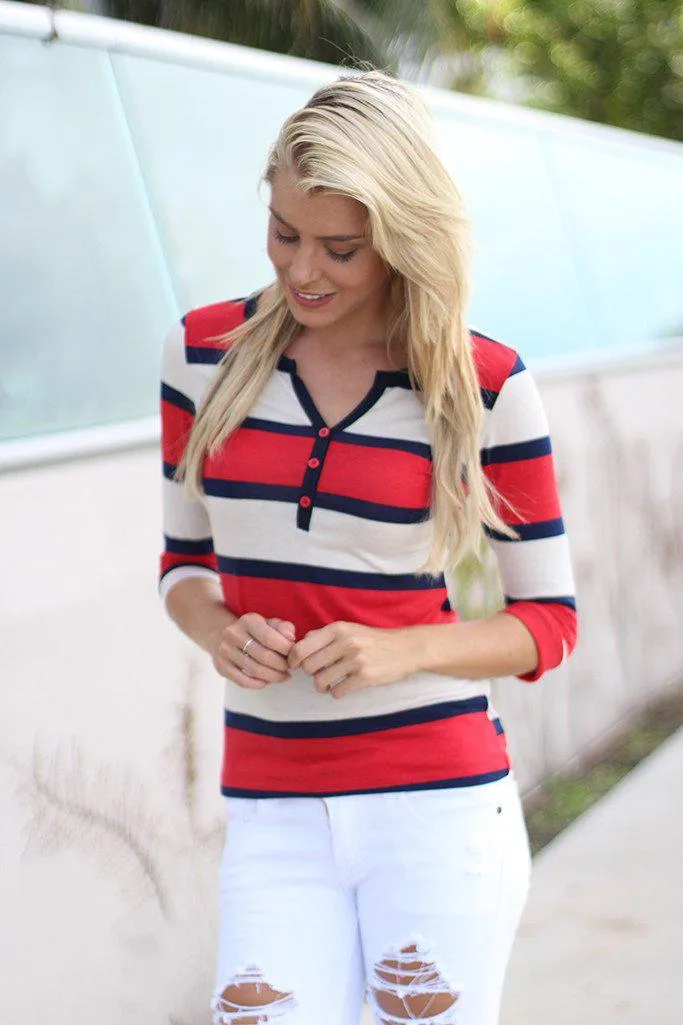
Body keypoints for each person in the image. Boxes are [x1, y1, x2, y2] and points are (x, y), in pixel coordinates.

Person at [159, 70, 577, 1025]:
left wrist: (404, 647)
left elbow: (548, 623)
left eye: (340, 248)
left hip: (437, 805)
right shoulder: (200, 354)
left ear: (398, 237)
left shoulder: (482, 383)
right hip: (272, 803)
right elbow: (181, 564)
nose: (303, 270)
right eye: (284, 233)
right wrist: (218, 629)